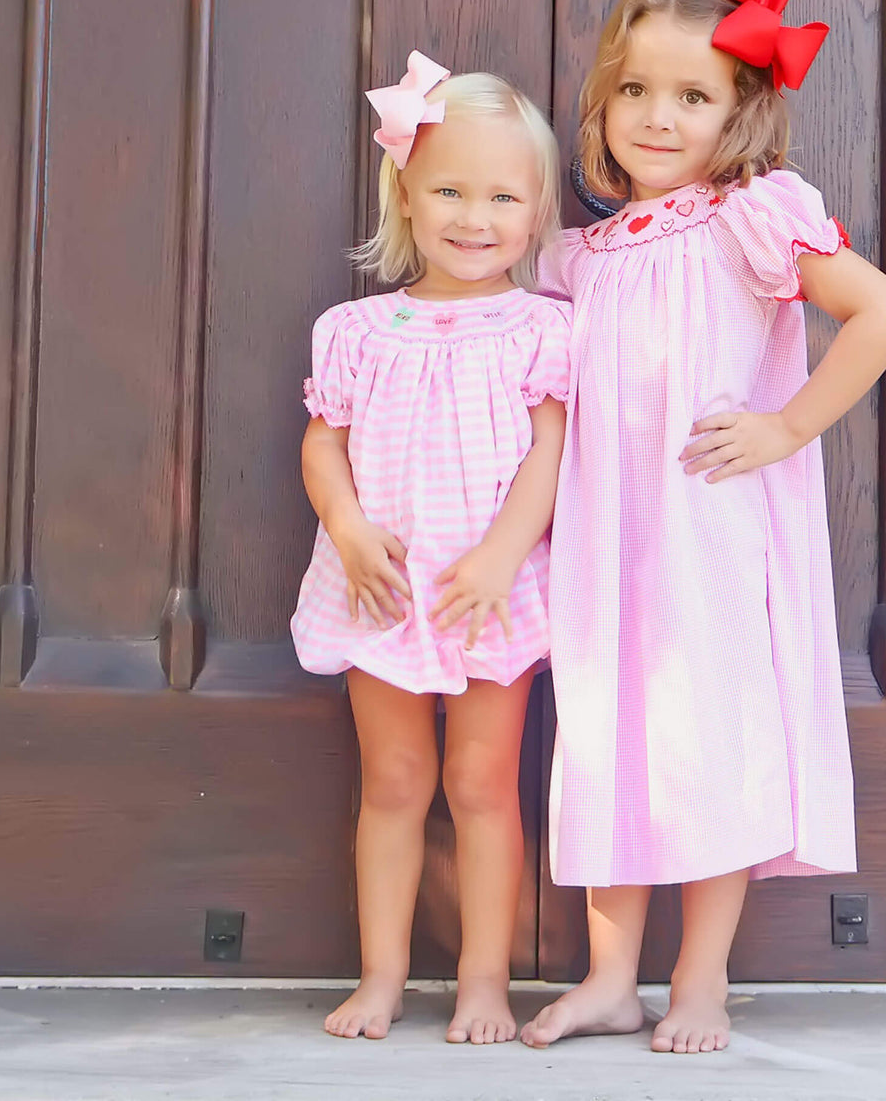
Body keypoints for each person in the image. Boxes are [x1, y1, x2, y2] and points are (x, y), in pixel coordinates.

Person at [521, 0, 886, 1054]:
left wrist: (785, 425)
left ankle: (701, 977)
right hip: (604, 545)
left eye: (690, 94)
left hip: (705, 533)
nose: (655, 116)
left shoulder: (753, 217)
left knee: (705, 740)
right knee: (604, 739)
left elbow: (882, 314)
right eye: (631, 91)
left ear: (736, 111)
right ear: (600, 107)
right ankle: (608, 975)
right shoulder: (582, 257)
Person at [291, 52, 570, 1044]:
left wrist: (502, 552)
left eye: (501, 195)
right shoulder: (357, 329)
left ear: (535, 212)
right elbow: (322, 443)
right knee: (396, 782)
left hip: (486, 588)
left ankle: (484, 981)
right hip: (380, 587)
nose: (473, 215)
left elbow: (548, 449)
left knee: (481, 783)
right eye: (449, 188)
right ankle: (381, 975)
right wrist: (349, 526)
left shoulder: (542, 328)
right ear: (405, 191)